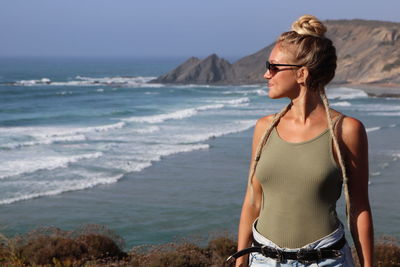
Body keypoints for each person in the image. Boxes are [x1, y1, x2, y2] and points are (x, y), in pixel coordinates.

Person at [232, 15, 374, 266]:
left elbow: (359, 206)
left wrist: (368, 265)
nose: (266, 74)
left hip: (327, 260)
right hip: (264, 260)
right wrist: (240, 260)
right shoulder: (264, 127)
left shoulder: (347, 130)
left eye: (273, 66)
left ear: (302, 74)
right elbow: (253, 199)